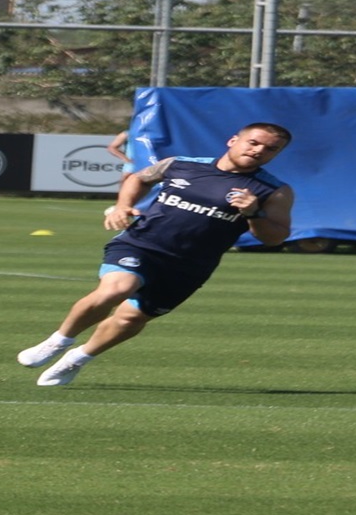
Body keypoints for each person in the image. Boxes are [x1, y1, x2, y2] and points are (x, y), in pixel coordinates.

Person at [18, 122, 295, 386]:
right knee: (118, 288)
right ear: (234, 141)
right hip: (141, 244)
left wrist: (254, 212)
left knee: (131, 318)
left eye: (270, 149)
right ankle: (59, 340)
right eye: (253, 142)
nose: (258, 150)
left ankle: (77, 358)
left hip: (190, 266)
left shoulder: (273, 191)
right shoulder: (182, 164)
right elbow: (139, 178)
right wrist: (122, 206)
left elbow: (275, 237)